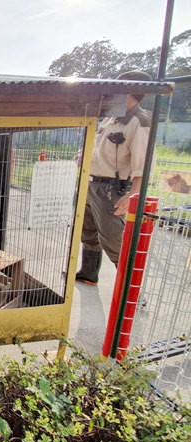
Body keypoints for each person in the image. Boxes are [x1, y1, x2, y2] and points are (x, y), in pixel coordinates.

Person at [76, 70, 153, 286]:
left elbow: (143, 166)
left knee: (113, 238)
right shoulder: (111, 118)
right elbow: (101, 149)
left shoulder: (140, 121)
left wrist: (132, 196)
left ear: (130, 91)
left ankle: (131, 287)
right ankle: (89, 273)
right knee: (87, 232)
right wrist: (84, 158)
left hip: (112, 189)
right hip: (91, 183)